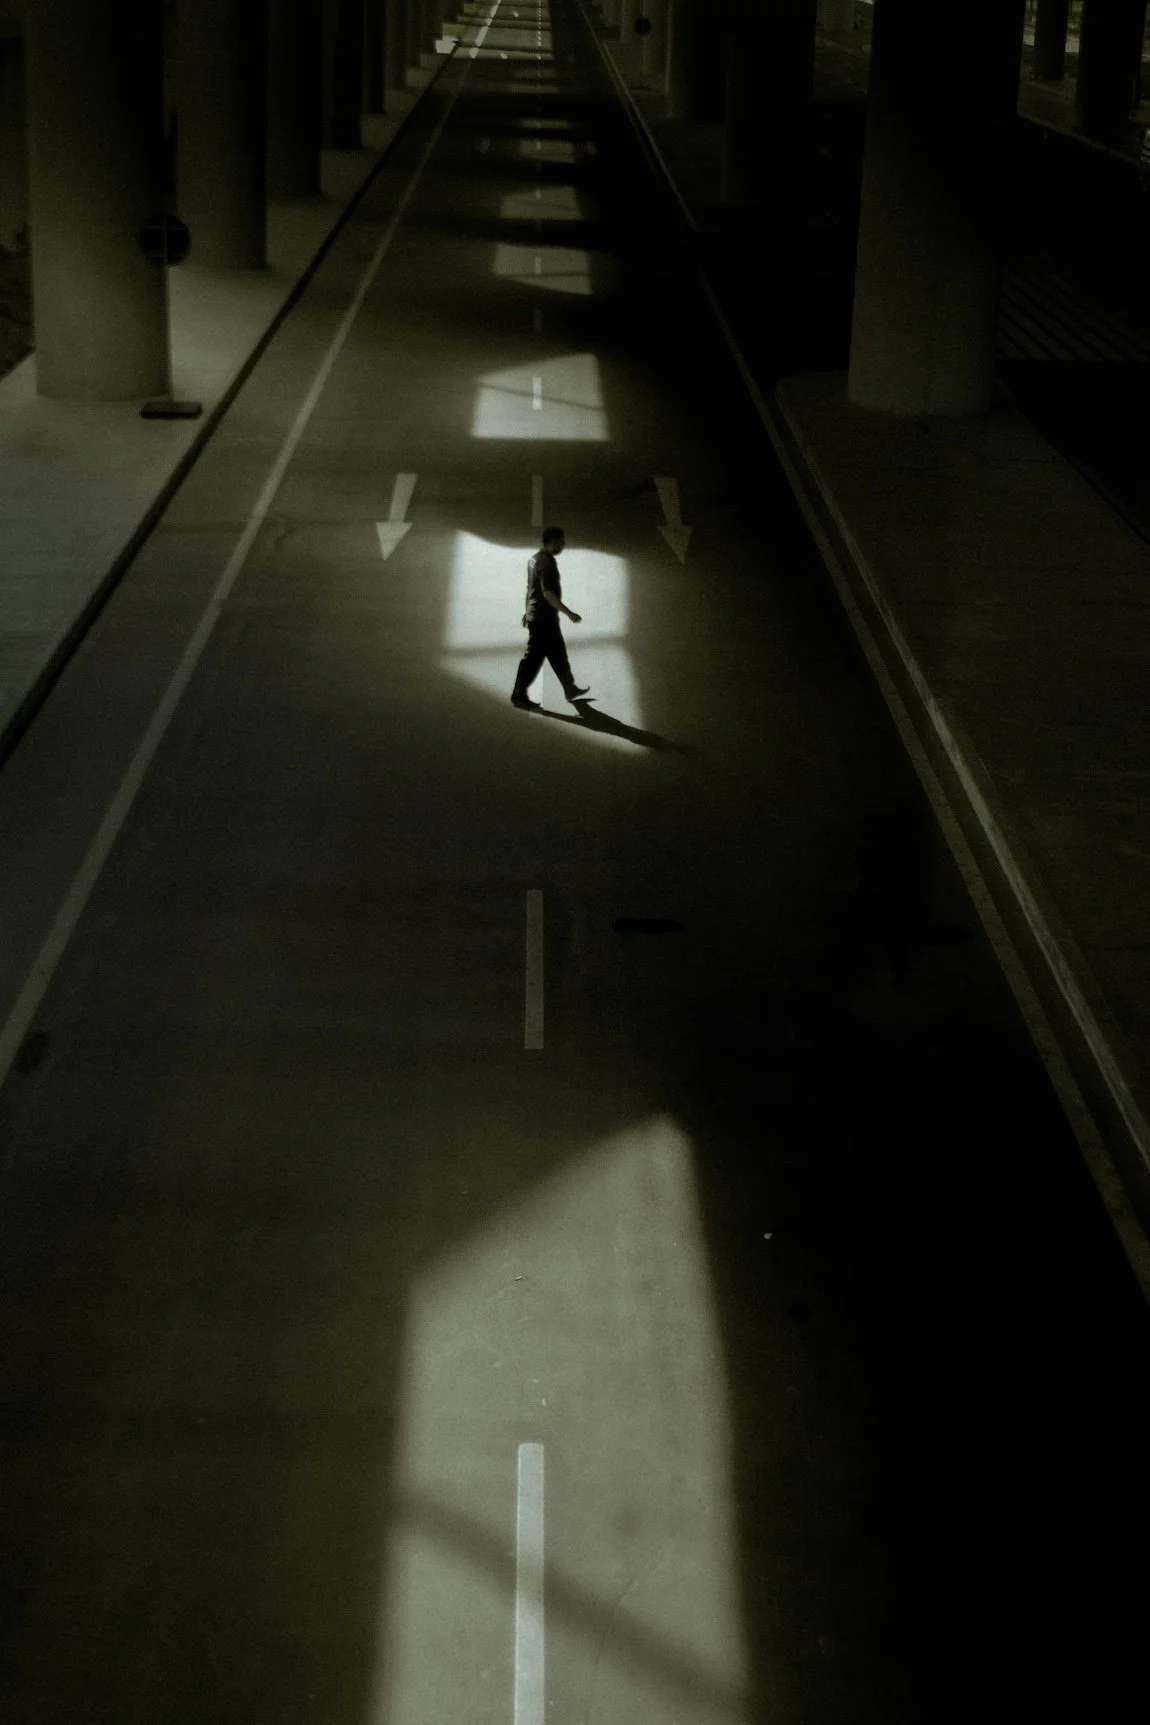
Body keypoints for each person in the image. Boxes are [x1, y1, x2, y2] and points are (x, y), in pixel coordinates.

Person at [510, 526, 590, 711]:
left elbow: (530, 588)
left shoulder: (534, 559)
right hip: (543, 620)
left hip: (539, 616)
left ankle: (570, 689)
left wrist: (527, 611)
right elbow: (548, 593)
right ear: (553, 541)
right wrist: (569, 613)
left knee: (558, 654)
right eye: (561, 541)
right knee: (533, 658)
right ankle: (518, 694)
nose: (563, 545)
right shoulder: (547, 562)